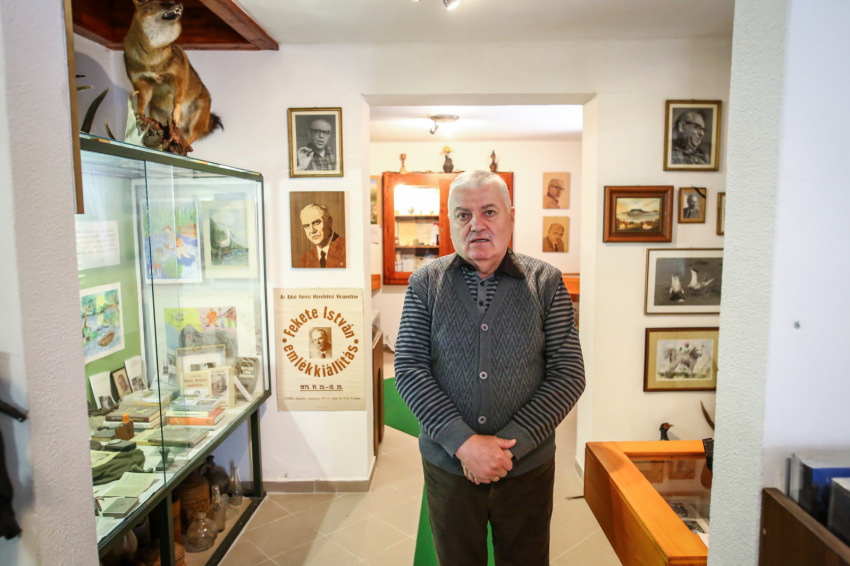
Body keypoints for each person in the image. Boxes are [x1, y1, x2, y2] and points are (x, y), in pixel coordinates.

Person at [395, 170, 585, 566]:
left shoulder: (545, 282)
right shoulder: (425, 283)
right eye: (463, 215)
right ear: (450, 222)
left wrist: (507, 448)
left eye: (489, 212)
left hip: (527, 469)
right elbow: (410, 368)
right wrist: (464, 444)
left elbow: (568, 373)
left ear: (511, 217)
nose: (476, 225)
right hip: (449, 466)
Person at [297, 203, 345, 268]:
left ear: (330, 222)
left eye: (316, 222)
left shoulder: (347, 249)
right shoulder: (305, 260)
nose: (312, 230)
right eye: (307, 226)